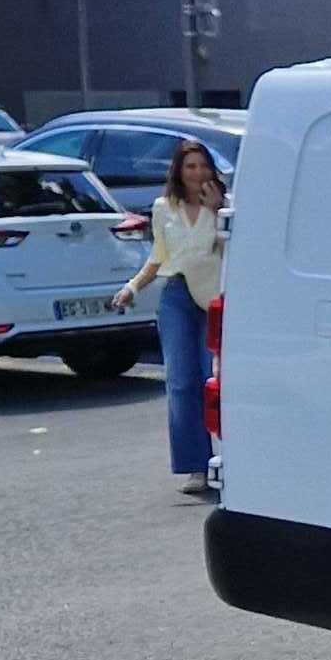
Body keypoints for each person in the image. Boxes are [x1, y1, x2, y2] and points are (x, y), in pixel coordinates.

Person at [119, 138, 226, 498]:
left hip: (212, 297)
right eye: (190, 166)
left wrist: (217, 209)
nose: (197, 173)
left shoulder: (225, 206)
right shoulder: (163, 207)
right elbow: (159, 256)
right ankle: (196, 465)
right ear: (179, 171)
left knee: (214, 378)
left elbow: (232, 250)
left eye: (203, 166)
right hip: (177, 294)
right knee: (181, 381)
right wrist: (132, 287)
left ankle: (232, 460)